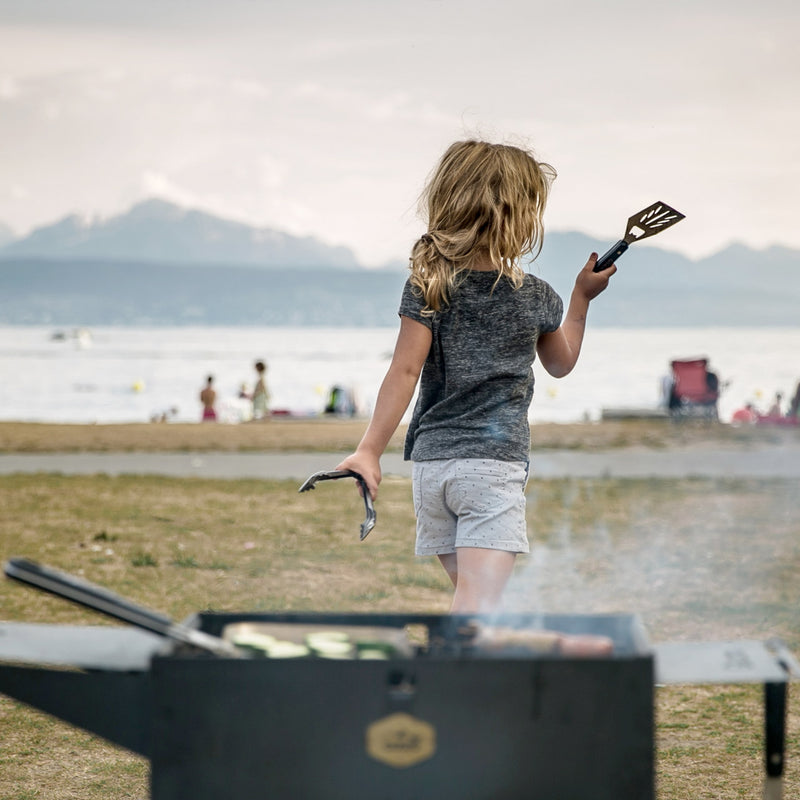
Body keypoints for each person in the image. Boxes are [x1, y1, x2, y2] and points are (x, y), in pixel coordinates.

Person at [335, 139, 616, 615]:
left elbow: (403, 371)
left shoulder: (430, 284)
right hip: (490, 468)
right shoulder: (536, 296)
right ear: (519, 216)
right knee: (477, 609)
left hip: (432, 470)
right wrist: (581, 299)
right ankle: (445, 684)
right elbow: (560, 363)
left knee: (478, 604)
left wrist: (369, 450)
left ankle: (484, 675)